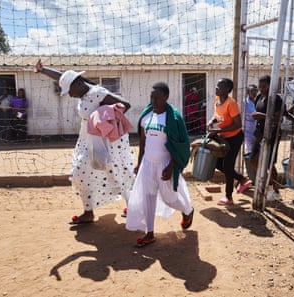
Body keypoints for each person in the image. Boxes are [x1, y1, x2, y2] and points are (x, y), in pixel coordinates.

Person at [34, 59, 135, 224]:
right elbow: (63, 77)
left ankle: (133, 207)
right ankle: (88, 212)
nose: (70, 95)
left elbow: (125, 105)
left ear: (78, 83)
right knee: (79, 173)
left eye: (70, 91)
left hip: (107, 141)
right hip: (86, 140)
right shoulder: (81, 89)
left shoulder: (97, 93)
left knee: (117, 172)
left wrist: (102, 116)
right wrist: (43, 70)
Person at [126, 82, 194, 247]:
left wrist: (171, 166)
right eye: (152, 97)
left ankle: (188, 211)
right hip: (148, 164)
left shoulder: (174, 118)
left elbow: (180, 145)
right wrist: (139, 162)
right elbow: (143, 141)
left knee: (169, 199)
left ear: (166, 98)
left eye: (157, 98)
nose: (153, 101)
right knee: (148, 197)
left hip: (165, 165)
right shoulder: (146, 116)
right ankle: (149, 233)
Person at [207, 78, 252, 206]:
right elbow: (217, 117)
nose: (216, 88)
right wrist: (212, 122)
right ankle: (242, 179)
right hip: (224, 137)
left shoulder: (231, 103)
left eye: (219, 86)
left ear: (227, 89)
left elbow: (238, 124)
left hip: (234, 138)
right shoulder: (217, 100)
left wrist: (219, 130)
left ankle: (229, 197)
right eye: (216, 85)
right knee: (218, 163)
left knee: (227, 166)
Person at [250, 75, 283, 201]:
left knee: (269, 163)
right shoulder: (259, 97)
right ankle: (267, 184)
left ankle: (274, 190)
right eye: (260, 87)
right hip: (259, 132)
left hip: (272, 133)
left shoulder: (276, 99)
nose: (261, 89)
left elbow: (278, 119)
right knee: (253, 160)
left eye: (264, 86)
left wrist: (262, 116)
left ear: (270, 85)